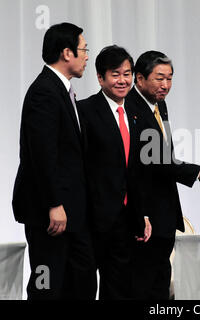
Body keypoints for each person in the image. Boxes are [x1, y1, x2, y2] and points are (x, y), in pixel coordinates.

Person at [127, 50, 200, 299]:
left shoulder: (160, 104)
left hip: (165, 213)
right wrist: (198, 172)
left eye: (170, 78)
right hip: (143, 214)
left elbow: (165, 156)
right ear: (139, 78)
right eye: (159, 78)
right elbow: (154, 160)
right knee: (143, 284)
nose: (166, 85)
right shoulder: (128, 108)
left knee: (161, 281)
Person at [12, 22, 96, 300]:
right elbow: (41, 154)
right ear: (67, 53)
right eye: (83, 49)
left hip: (73, 213)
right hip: (51, 215)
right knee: (47, 285)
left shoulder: (63, 91)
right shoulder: (44, 92)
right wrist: (54, 204)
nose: (87, 56)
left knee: (79, 283)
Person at [77, 45, 151, 300]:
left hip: (126, 218)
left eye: (127, 73)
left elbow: (138, 169)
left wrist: (142, 213)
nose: (123, 80)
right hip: (91, 217)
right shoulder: (84, 110)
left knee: (119, 288)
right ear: (100, 78)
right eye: (115, 74)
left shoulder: (138, 113)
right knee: (84, 286)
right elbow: (79, 166)